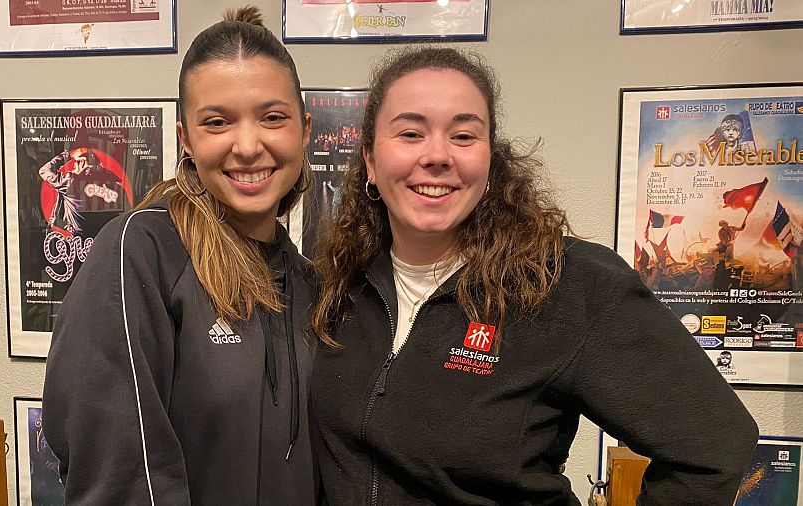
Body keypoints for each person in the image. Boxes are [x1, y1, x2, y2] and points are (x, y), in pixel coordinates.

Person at [310, 47, 758, 505]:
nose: (438, 155)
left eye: (464, 135)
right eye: (410, 132)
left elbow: (713, 448)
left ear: (489, 160)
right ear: (369, 160)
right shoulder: (342, 285)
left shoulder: (567, 284)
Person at [43, 7, 318, 504]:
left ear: (305, 129)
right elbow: (118, 473)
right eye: (218, 122)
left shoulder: (307, 282)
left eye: (272, 117)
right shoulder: (142, 254)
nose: (249, 145)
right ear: (186, 139)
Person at [38, 147, 124, 235]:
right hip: (101, 238)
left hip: (74, 240)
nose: (73, 170)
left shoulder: (72, 182)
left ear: (81, 162)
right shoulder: (116, 187)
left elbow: (44, 170)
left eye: (74, 167)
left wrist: (69, 155)